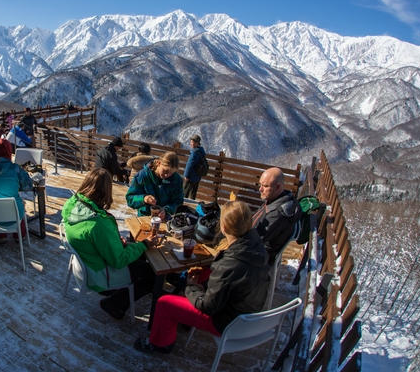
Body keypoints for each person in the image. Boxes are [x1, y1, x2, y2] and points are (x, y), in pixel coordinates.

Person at [133, 200, 270, 354]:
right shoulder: (255, 245)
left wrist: (190, 287)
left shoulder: (230, 264)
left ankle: (160, 344)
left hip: (227, 322)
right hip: (247, 312)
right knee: (204, 272)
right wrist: (201, 286)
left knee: (164, 303)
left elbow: (208, 307)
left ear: (223, 228)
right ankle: (186, 321)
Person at [63, 168, 159, 320]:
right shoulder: (97, 224)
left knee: (138, 257)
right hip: (98, 275)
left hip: (86, 264)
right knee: (152, 274)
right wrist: (144, 244)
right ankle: (114, 303)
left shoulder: (73, 203)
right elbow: (118, 260)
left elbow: (93, 238)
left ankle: (124, 294)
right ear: (106, 190)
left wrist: (114, 241)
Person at [0, 138, 32, 244]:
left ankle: (0, 237)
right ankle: (19, 236)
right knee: (15, 203)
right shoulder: (15, 169)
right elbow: (28, 187)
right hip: (14, 214)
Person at [252, 167, 300, 264]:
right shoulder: (279, 199)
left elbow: (254, 241)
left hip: (260, 256)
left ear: (278, 187)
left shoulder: (277, 214)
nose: (260, 189)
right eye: (260, 184)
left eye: (265, 186)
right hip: (258, 246)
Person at [126, 151, 184, 219]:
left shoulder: (176, 180)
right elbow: (130, 199)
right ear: (159, 163)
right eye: (165, 171)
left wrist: (166, 210)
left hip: (165, 218)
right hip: (145, 217)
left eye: (171, 173)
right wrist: (144, 199)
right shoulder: (142, 176)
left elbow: (178, 202)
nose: (167, 175)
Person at [183, 134, 206, 200]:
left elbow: (189, 165)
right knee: (193, 193)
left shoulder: (194, 152)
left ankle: (181, 206)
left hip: (191, 176)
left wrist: (186, 175)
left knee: (185, 193)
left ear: (196, 143)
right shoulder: (201, 151)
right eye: (191, 142)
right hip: (198, 176)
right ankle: (192, 204)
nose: (191, 144)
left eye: (192, 142)